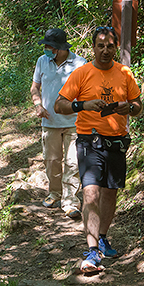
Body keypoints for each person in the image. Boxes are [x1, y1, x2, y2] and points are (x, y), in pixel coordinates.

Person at [55, 26, 142, 272]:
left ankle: (102, 237)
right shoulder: (82, 74)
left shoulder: (125, 73)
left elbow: (138, 105)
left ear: (116, 47)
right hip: (89, 141)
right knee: (91, 193)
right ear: (93, 47)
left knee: (110, 193)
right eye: (100, 46)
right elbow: (59, 105)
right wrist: (83, 105)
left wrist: (130, 109)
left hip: (116, 141)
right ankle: (92, 251)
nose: (105, 50)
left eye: (110, 46)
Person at [31, 28, 87, 220]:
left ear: (60, 47)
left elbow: (86, 93)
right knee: (51, 161)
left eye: (49, 46)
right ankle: (54, 193)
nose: (46, 48)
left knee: (73, 162)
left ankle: (71, 201)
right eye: (45, 45)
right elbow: (34, 88)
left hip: (74, 122)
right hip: (49, 122)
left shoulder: (80, 64)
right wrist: (38, 105)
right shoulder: (41, 61)